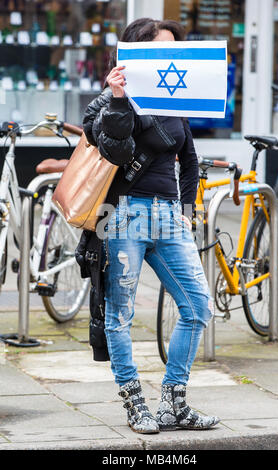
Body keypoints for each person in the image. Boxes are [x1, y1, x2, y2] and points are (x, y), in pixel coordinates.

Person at [82, 18, 220, 434]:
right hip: (123, 214)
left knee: (198, 307)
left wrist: (189, 209)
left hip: (167, 215)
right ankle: (134, 403)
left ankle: (173, 403)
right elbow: (117, 152)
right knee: (120, 316)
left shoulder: (177, 99)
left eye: (177, 50)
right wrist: (121, 99)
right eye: (164, 49)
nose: (172, 56)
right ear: (137, 51)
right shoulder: (112, 99)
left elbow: (190, 158)